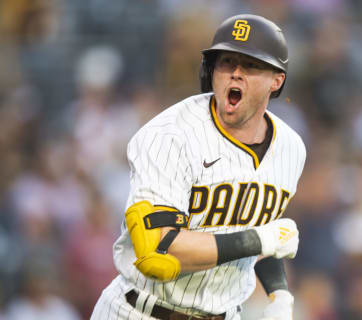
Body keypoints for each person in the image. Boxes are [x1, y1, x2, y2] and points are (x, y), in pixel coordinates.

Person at [91, 14, 306, 320]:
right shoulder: (170, 135)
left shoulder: (291, 148)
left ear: (277, 80)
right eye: (226, 62)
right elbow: (159, 250)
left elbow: (258, 232)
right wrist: (261, 239)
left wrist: (279, 292)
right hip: (142, 310)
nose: (235, 74)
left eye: (251, 65)